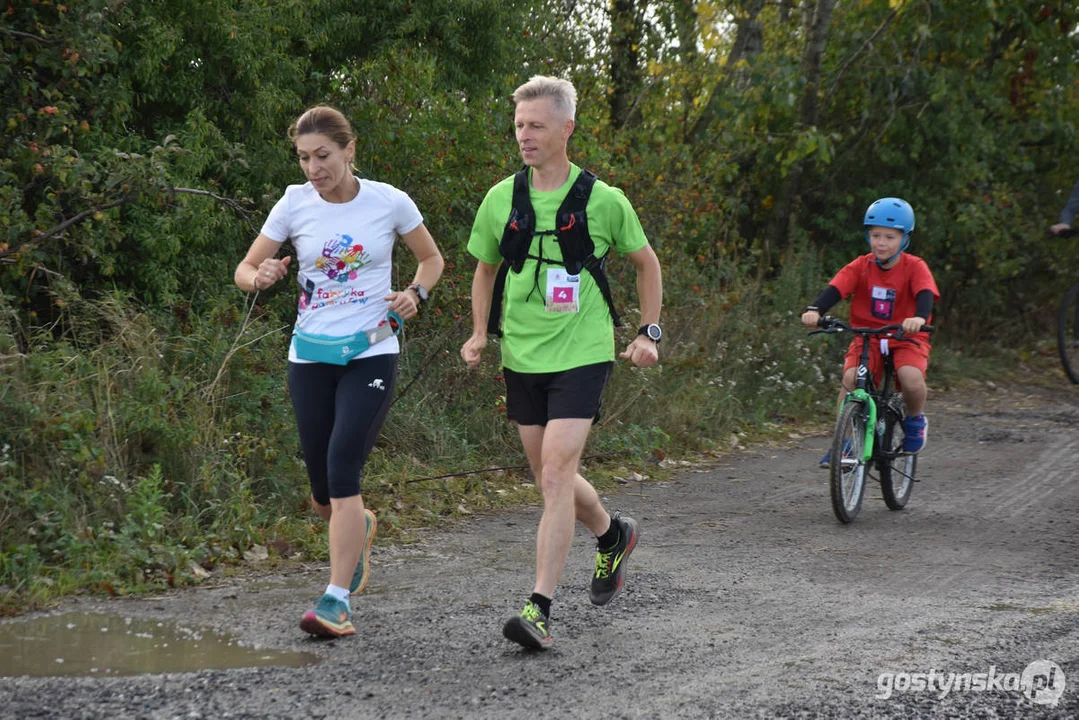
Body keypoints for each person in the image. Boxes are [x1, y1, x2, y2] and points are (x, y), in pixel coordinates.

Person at [460, 76, 663, 650]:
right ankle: (612, 533)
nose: (524, 136)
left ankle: (539, 606)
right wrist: (479, 333)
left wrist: (649, 331)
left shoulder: (604, 200)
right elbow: (484, 268)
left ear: (567, 129)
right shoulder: (502, 198)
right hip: (522, 354)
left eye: (536, 126)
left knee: (554, 475)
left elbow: (646, 264)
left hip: (583, 352)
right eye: (519, 125)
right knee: (550, 476)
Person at [234, 105, 444, 638]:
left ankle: (335, 600)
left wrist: (414, 293)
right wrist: (259, 276)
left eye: (322, 155)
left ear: (349, 150)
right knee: (323, 493)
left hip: (372, 347)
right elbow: (244, 268)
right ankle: (360, 526)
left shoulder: (389, 201)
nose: (312, 168)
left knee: (343, 465)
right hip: (309, 353)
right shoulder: (292, 203)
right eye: (304, 158)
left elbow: (431, 259)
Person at [801, 197, 939, 467]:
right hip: (868, 337)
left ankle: (914, 419)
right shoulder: (861, 266)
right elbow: (837, 288)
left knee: (910, 378)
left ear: (905, 238)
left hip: (906, 336)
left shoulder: (915, 266)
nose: (882, 243)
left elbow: (925, 294)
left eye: (890, 236)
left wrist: (919, 318)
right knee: (850, 379)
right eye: (876, 236)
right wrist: (814, 310)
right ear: (868, 236)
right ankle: (844, 442)